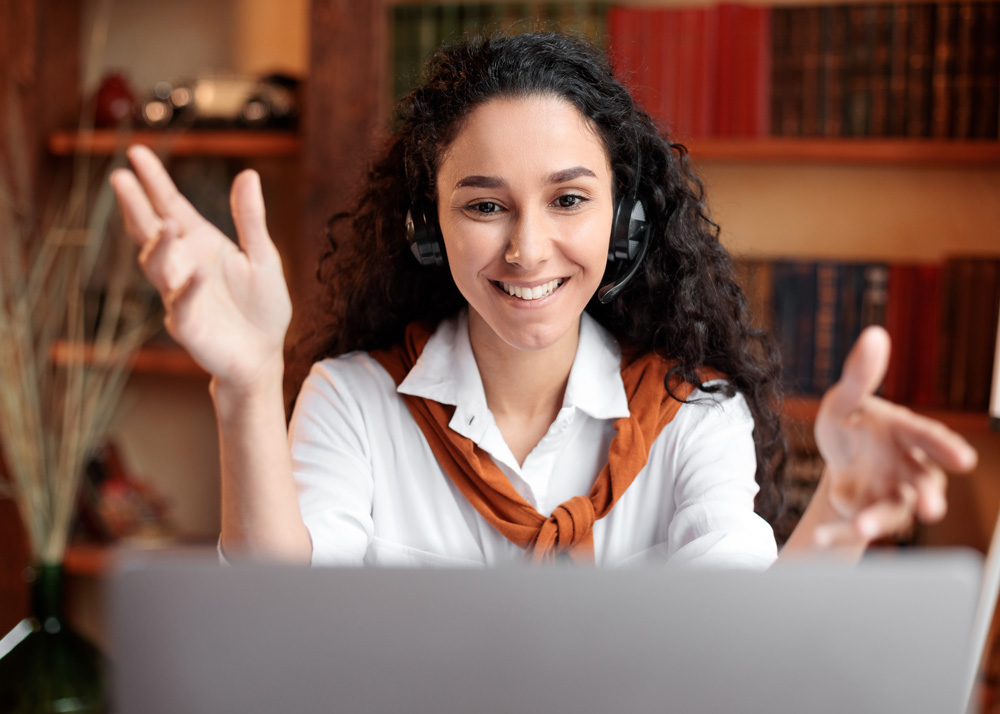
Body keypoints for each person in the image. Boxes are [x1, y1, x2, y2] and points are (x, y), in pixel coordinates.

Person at [110, 32, 977, 568]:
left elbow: (747, 652)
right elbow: (277, 620)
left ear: (626, 224)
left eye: (568, 200)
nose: (527, 248)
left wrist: (842, 518)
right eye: (484, 205)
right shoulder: (354, 403)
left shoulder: (688, 419)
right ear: (428, 226)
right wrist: (251, 383)